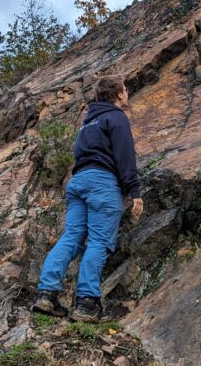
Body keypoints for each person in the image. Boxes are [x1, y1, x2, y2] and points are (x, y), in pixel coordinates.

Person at [32, 75, 144, 322]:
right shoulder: (116, 118)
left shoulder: (87, 121)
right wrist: (134, 191)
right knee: (99, 241)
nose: (127, 93)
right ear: (118, 94)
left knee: (71, 237)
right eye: (125, 89)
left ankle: (46, 295)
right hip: (102, 183)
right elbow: (125, 156)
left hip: (78, 183)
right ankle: (86, 303)